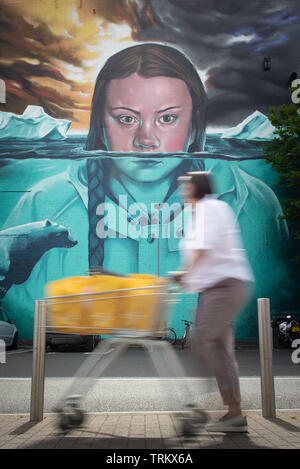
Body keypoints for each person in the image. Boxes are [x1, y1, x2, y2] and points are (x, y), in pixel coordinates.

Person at [1, 43, 287, 341]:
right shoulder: (44, 204)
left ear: (194, 122)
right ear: (100, 122)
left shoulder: (254, 203)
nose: (146, 139)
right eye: (126, 118)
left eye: (167, 118)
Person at [176, 171, 254, 434]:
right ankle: (235, 413)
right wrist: (189, 279)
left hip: (224, 287)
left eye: (185, 187)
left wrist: (184, 274)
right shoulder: (205, 211)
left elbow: (203, 249)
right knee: (220, 349)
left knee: (200, 342)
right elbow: (205, 253)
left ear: (196, 188)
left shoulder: (209, 208)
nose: (182, 192)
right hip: (215, 289)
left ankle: (201, 405)